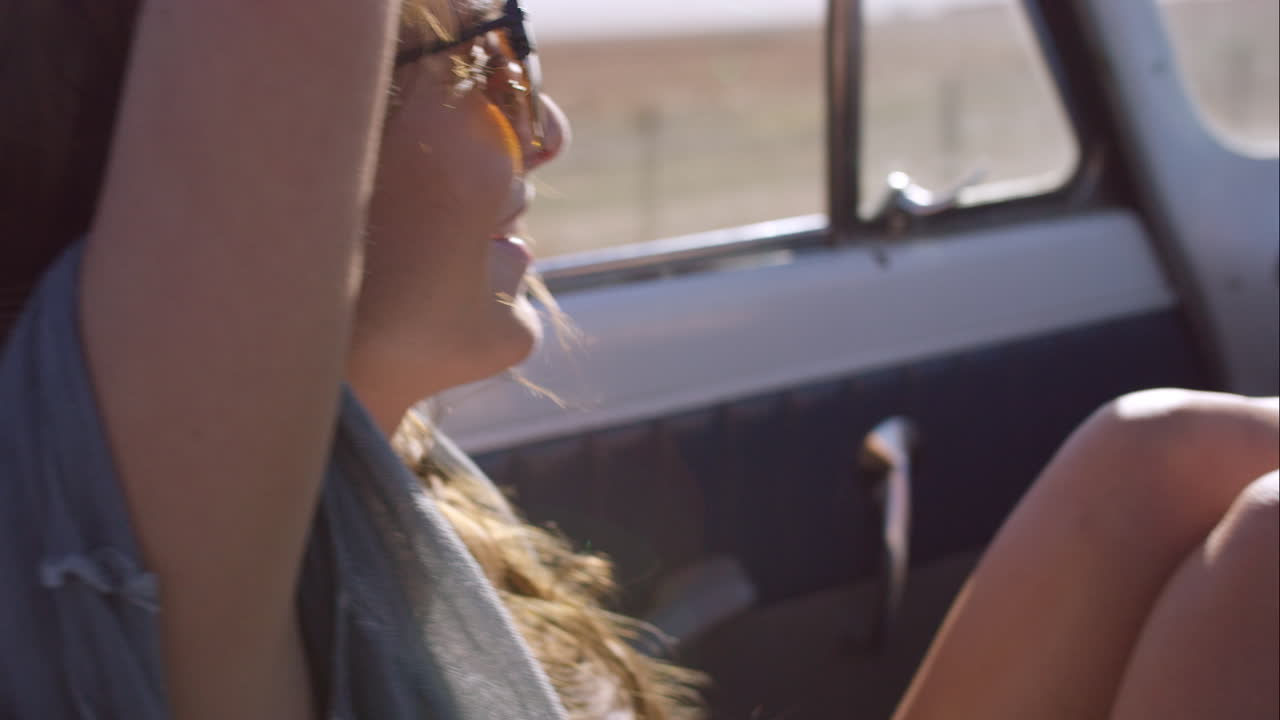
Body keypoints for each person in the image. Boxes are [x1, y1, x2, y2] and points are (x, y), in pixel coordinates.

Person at [1, 3, 1275, 720]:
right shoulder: (181, 579)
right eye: (484, 60)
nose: (544, 128)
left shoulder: (403, 474)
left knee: (1155, 452)